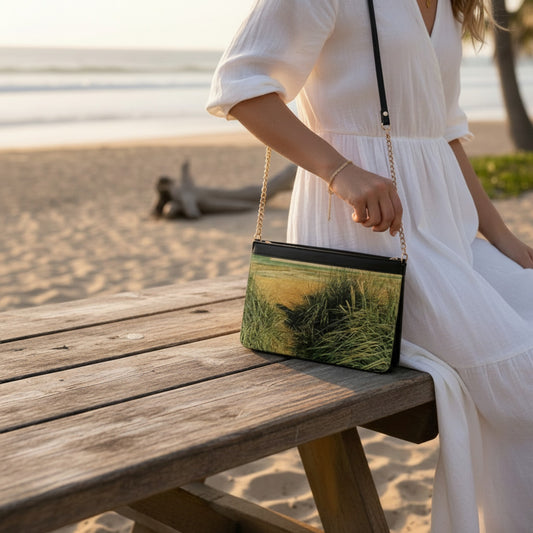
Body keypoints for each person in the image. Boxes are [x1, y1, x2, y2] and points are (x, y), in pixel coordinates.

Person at [206, 1, 533, 531]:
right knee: (521, 380)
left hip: (447, 235)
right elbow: (241, 86)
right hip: (362, 240)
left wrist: (498, 234)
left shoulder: (451, 7)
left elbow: (444, 133)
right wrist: (341, 172)